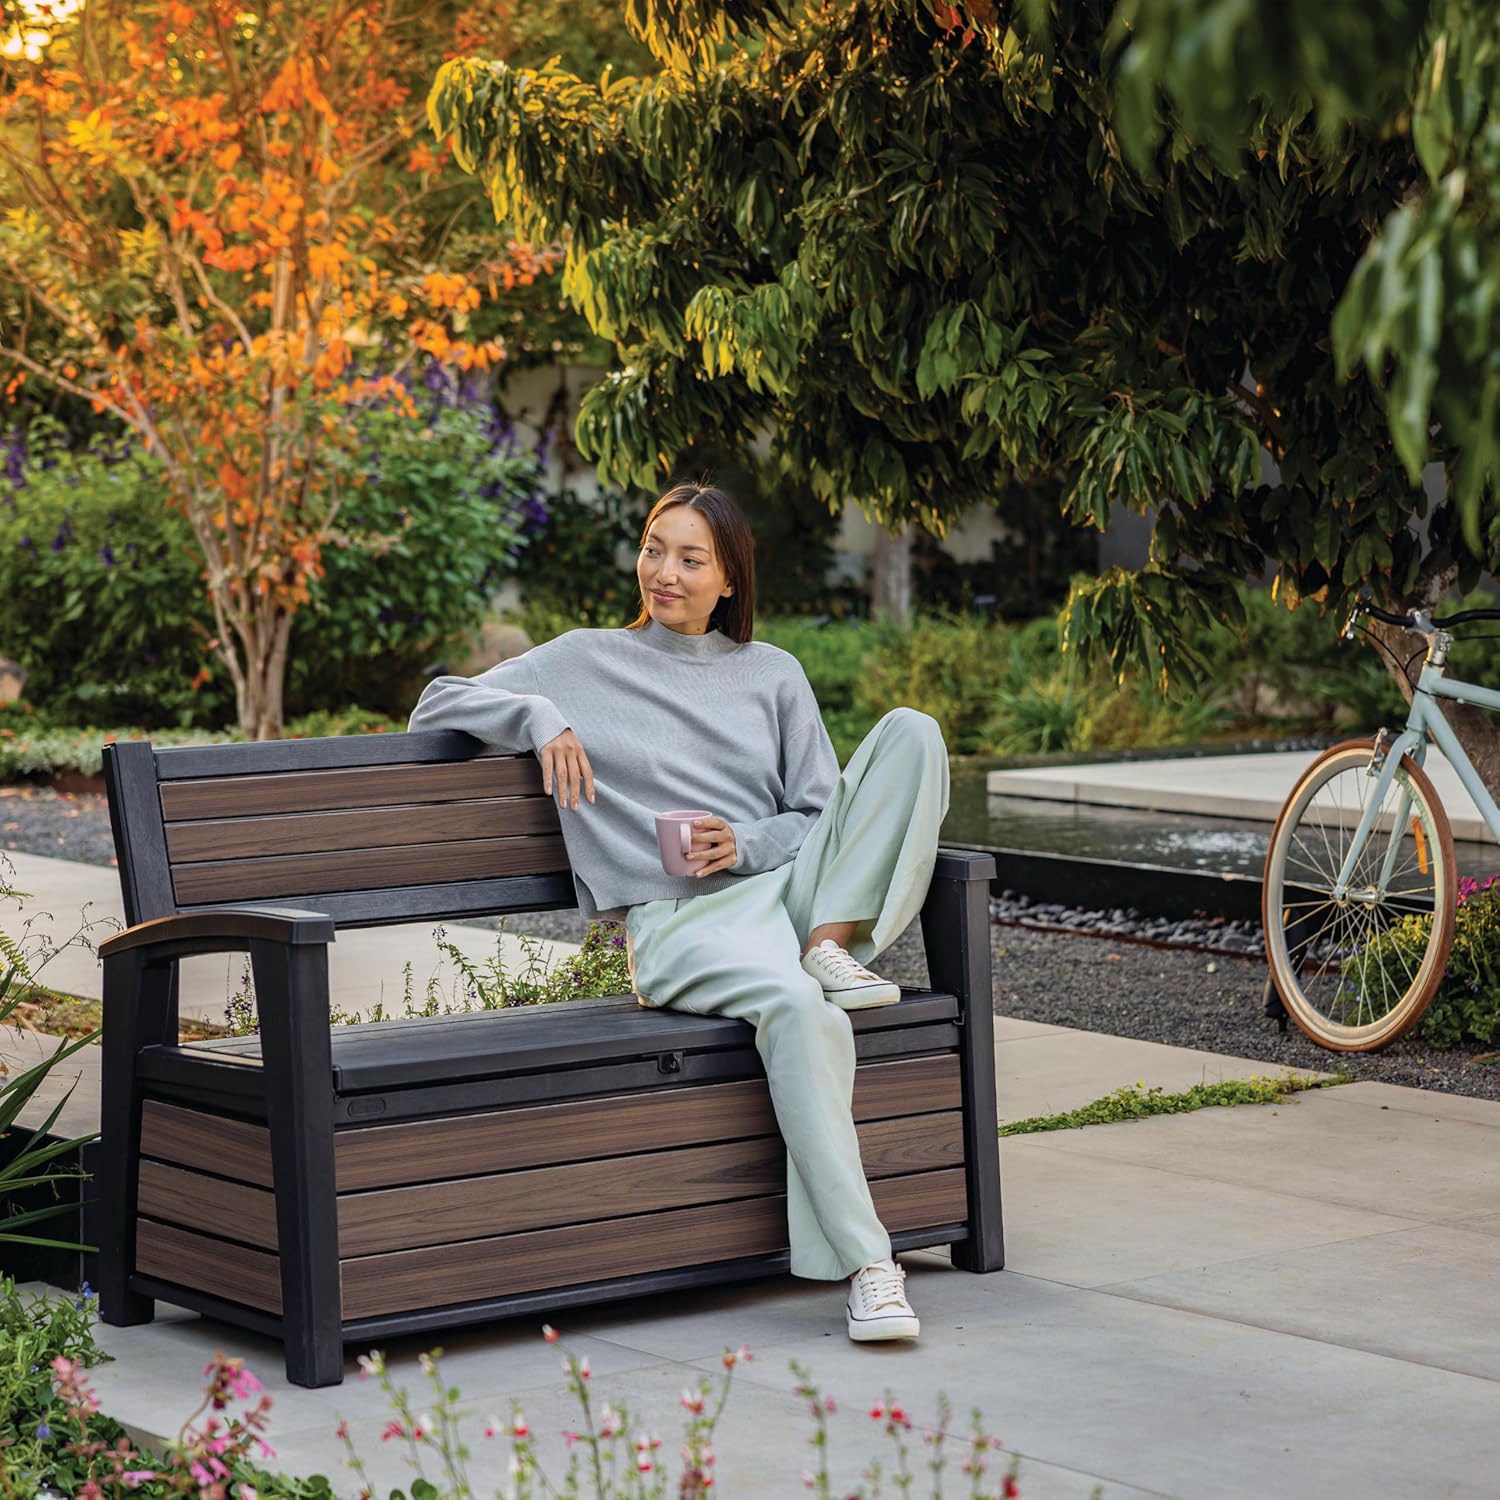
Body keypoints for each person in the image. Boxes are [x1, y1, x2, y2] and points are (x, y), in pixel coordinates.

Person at [408, 481, 950, 1342]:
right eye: (654, 548)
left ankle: (827, 944)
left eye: (691, 558)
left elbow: (815, 814)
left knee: (913, 731)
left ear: (729, 578)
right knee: (806, 1019)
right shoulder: (582, 661)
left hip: (790, 893)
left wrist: (744, 841)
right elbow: (435, 704)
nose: (664, 572)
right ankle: (870, 1267)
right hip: (684, 920)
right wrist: (538, 715)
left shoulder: (772, 673)